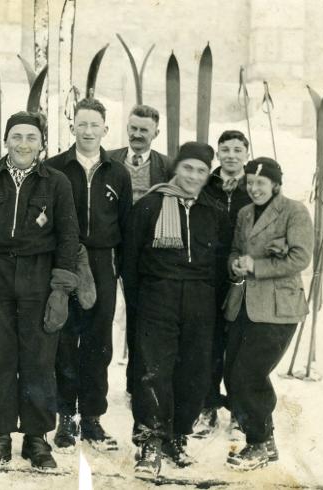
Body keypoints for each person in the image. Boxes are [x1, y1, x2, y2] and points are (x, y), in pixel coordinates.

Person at [0, 111, 79, 471]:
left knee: (38, 358)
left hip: (38, 274)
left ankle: (36, 438)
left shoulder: (57, 182)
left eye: (31, 137)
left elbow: (68, 237)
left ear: (41, 143)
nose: (23, 144)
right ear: (5, 141)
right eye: (16, 136)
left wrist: (61, 290)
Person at [125, 142, 231, 479]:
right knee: (154, 369)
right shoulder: (150, 205)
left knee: (193, 372)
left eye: (201, 171)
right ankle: (151, 442)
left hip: (200, 300)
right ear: (176, 169)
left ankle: (177, 437)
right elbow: (129, 259)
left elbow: (220, 263)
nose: (194, 176)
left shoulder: (213, 211)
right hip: (158, 297)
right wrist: (138, 303)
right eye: (188, 168)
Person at [46, 98, 132, 452]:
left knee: (98, 343)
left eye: (94, 125)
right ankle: (65, 415)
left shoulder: (118, 172)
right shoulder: (55, 168)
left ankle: (92, 417)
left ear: (105, 130)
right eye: (81, 124)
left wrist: (121, 272)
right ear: (72, 128)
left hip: (101, 261)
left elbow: (125, 225)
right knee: (65, 339)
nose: (88, 131)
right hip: (65, 258)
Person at [225, 157, 313, 471]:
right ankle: (266, 439)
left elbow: (301, 258)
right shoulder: (245, 213)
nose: (254, 188)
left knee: (249, 374)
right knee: (232, 372)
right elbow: (236, 249)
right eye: (250, 183)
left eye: (260, 183)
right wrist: (235, 264)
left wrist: (257, 267)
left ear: (275, 184)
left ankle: (257, 444)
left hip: (279, 309)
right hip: (245, 305)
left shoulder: (294, 211)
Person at [107, 104, 172, 396]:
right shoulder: (109, 160)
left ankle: (137, 385)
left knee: (140, 318)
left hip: (146, 256)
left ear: (155, 133)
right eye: (133, 128)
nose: (137, 135)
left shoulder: (167, 167)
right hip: (110, 249)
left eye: (144, 130)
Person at [194, 130, 252, 437]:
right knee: (209, 343)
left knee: (240, 345)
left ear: (246, 152)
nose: (231, 155)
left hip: (243, 275)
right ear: (218, 154)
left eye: (237, 149)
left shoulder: (253, 186)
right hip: (209, 275)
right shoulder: (206, 184)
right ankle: (208, 407)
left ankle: (239, 412)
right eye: (225, 149)